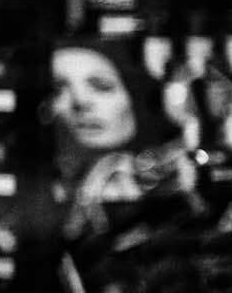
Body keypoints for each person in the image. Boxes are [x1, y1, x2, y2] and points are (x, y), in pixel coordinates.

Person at [50, 37, 192, 236]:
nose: (79, 102)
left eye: (101, 85)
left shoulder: (175, 173)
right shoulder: (57, 185)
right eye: (58, 89)